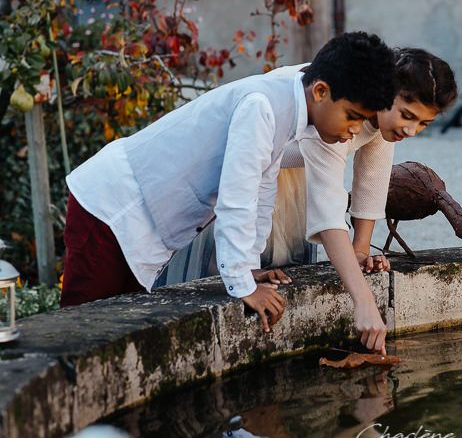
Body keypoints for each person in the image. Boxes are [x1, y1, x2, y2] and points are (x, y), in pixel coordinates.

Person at [60, 32, 397, 341]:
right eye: (352, 116)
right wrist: (241, 285)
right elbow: (236, 198)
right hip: (111, 209)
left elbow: (262, 191)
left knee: (119, 332)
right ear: (321, 91)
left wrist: (250, 265)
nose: (354, 131)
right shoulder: (262, 106)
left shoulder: (286, 110)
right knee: (84, 334)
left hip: (138, 221)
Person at [264, 48, 458, 351]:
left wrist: (360, 251)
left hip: (289, 171)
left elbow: (372, 181)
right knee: (250, 262)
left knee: (286, 268)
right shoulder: (339, 107)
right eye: (407, 115)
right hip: (253, 170)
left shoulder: (381, 120)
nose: (411, 130)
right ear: (383, 92)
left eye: (423, 123)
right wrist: (363, 301)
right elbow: (328, 208)